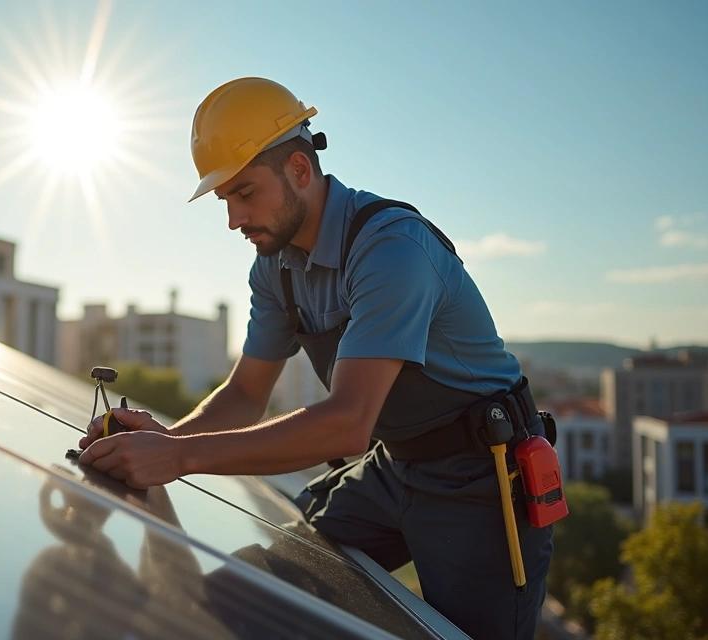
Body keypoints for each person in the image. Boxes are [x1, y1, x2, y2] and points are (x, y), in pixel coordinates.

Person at [78, 77, 553, 639]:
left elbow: (348, 422)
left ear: (300, 169)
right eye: (225, 199)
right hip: (394, 463)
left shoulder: (391, 250)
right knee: (262, 582)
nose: (233, 219)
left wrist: (178, 458)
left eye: (245, 193)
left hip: (481, 475)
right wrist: (162, 441)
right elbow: (245, 394)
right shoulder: (273, 267)